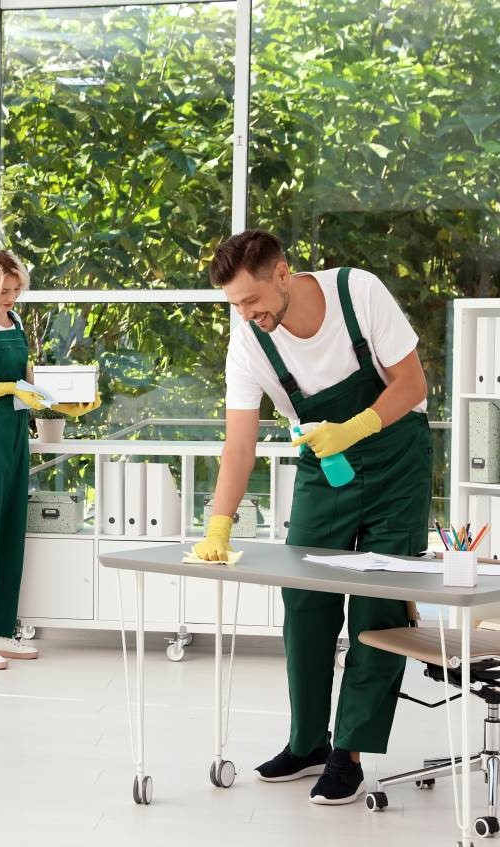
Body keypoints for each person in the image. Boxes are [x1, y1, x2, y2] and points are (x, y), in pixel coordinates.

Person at [193, 229, 432, 805]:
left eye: (252, 300)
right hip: (325, 469)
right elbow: (240, 445)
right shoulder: (249, 343)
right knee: (303, 599)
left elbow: (412, 382)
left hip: (397, 462)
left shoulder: (357, 293)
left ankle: (349, 753)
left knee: (377, 607)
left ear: (282, 273)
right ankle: (308, 743)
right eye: (235, 305)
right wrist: (218, 525)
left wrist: (356, 427)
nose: (246, 314)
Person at [0, 250, 99, 670]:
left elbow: (29, 384)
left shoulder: (12, 321)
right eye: (4, 290)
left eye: (16, 290)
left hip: (14, 436)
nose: (11, 297)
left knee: (10, 532)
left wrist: (65, 402)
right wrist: (4, 388)